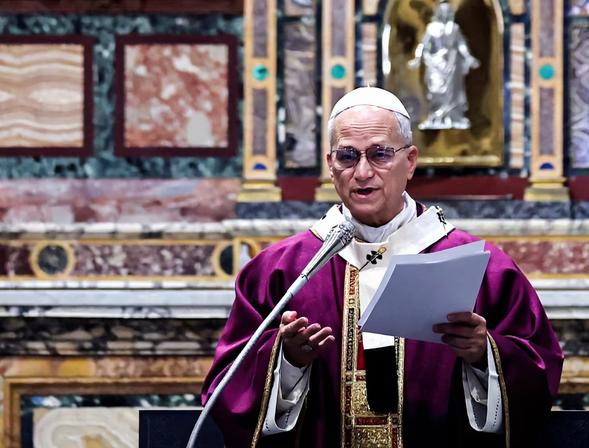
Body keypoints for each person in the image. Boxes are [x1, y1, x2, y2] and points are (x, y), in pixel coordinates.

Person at [201, 87, 563, 447]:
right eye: (347, 156)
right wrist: (288, 361)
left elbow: (538, 373)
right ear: (330, 165)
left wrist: (483, 354)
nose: (362, 172)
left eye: (380, 154)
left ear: (410, 161)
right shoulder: (281, 271)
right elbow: (228, 392)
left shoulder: (482, 268)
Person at [408, 1, 480, 130]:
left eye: (448, 11)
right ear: (439, 12)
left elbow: (461, 45)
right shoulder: (432, 28)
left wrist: (469, 57)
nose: (445, 13)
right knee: (435, 92)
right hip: (435, 65)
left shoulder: (454, 28)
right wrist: (417, 59)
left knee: (453, 93)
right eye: (443, 11)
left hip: (452, 64)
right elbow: (423, 46)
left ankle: (452, 118)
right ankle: (435, 117)